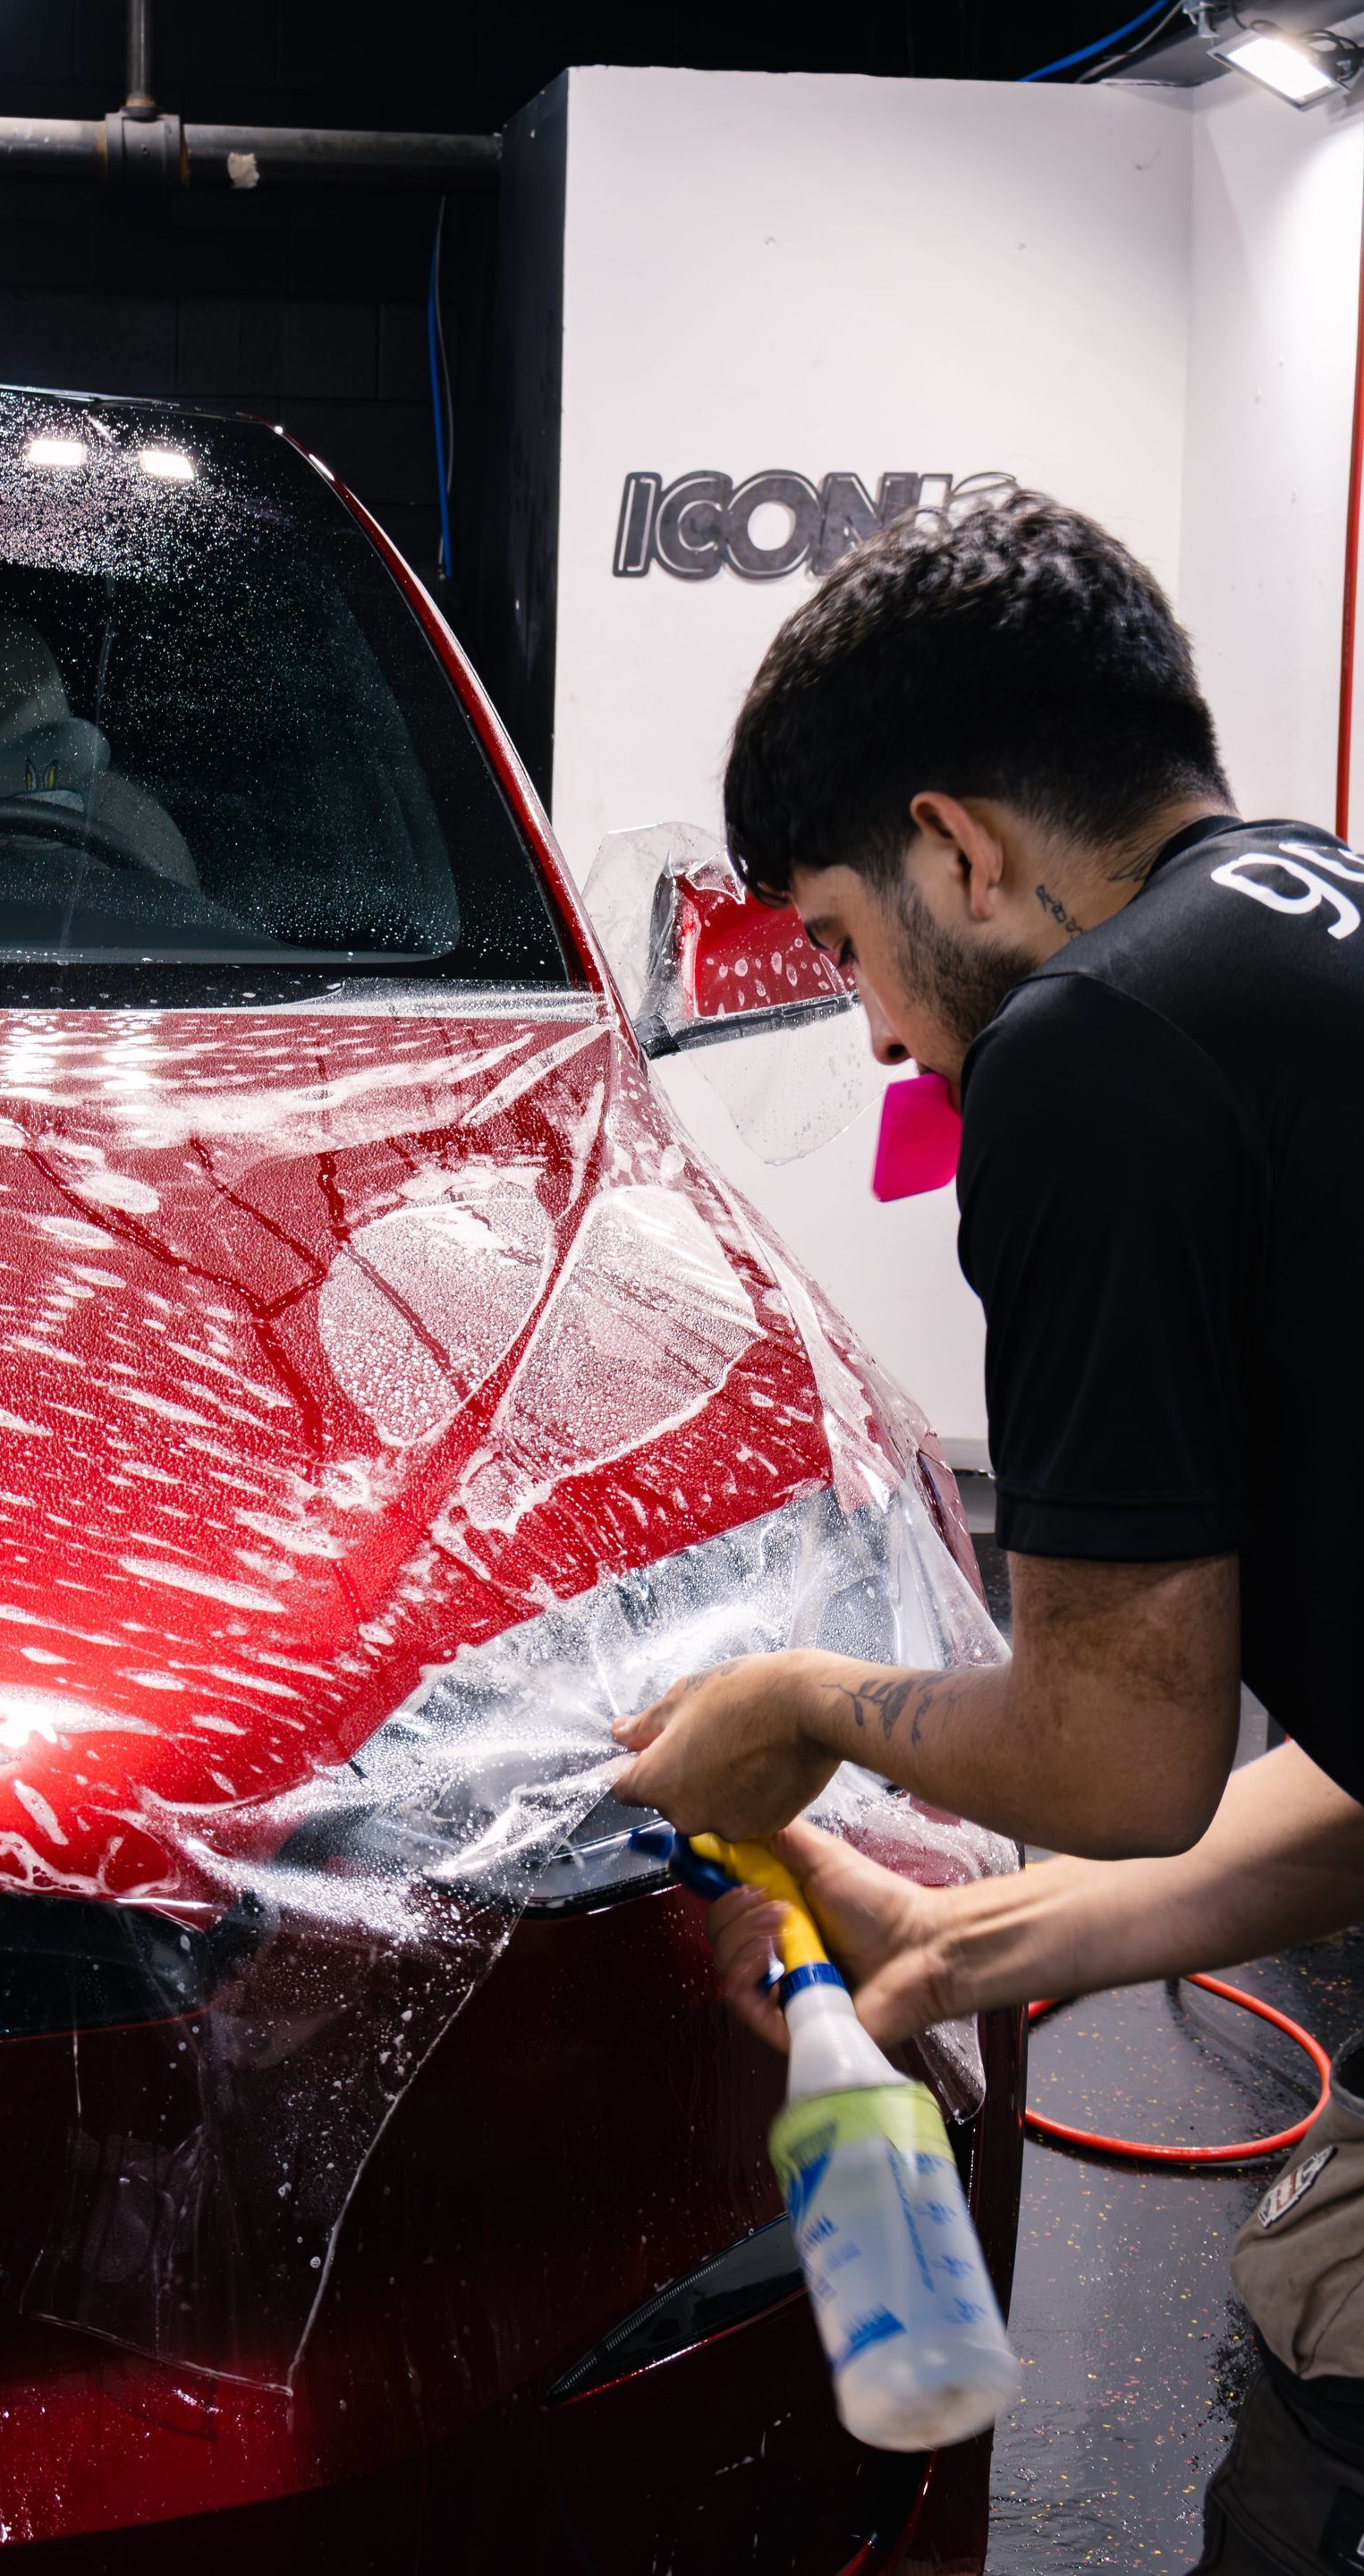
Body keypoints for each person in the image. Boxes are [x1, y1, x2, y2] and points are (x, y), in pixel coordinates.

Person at [609, 492, 1364, 2575]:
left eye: (844, 942)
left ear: (962, 848)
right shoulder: (1311, 923)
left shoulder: (1091, 1051)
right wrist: (968, 1940)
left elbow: (1118, 1758)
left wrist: (795, 1706)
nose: (865, 1028)